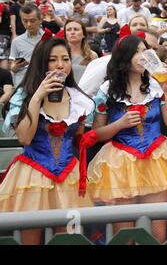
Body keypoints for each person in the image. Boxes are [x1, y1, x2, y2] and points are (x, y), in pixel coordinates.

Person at [0, 37, 94, 244]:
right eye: (53, 60)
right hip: (32, 177)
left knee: (68, 239)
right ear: (42, 63)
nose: (60, 65)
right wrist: (37, 97)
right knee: (30, 239)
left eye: (65, 59)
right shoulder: (23, 96)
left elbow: (78, 136)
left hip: (69, 175)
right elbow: (25, 138)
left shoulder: (79, 98)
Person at [87, 34, 167, 242]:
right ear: (124, 56)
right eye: (136, 52)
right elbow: (96, 134)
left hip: (155, 160)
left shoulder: (156, 86)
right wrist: (120, 124)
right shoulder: (106, 90)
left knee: (158, 233)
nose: (142, 56)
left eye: (144, 51)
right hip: (120, 163)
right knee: (124, 233)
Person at [9, 4, 44, 87]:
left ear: (40, 20)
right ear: (21, 21)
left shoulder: (49, 39)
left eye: (32, 21)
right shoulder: (16, 41)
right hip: (23, 83)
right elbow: (12, 68)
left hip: (43, 82)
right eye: (25, 21)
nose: (28, 24)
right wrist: (17, 66)